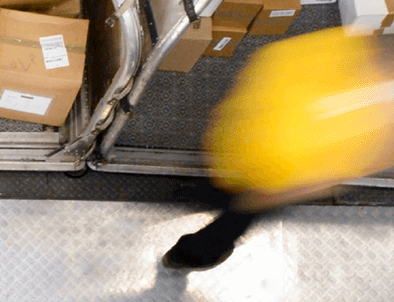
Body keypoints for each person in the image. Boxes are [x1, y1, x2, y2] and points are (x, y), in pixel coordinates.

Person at [163, 27, 394, 270]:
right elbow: (356, 164)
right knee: (230, 223)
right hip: (269, 183)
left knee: (207, 188)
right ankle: (187, 256)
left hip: (229, 152)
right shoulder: (380, 123)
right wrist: (289, 191)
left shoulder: (332, 48)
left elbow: (261, 64)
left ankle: (186, 195)